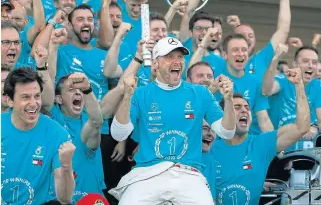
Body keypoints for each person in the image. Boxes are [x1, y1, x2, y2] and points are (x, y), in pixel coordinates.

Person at [108, 37, 236, 204]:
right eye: (169, 57)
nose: (176, 61)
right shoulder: (140, 94)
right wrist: (126, 98)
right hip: (147, 173)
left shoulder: (201, 93)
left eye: (180, 57)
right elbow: (119, 134)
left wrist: (229, 100)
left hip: (188, 173)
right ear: (155, 64)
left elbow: (227, 132)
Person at [213, 69, 310, 204]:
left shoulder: (261, 144)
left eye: (247, 108)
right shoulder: (208, 147)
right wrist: (212, 88)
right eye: (237, 107)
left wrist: (299, 86)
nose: (244, 110)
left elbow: (302, 127)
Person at [1, 67, 75, 204]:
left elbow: (65, 198)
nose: (34, 103)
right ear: (9, 100)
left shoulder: (57, 134)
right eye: (25, 97)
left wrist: (66, 166)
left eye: (37, 96)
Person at [47, 73, 106, 203]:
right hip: (57, 199)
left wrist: (87, 90)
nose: (78, 93)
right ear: (59, 99)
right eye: (71, 90)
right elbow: (45, 99)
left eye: (80, 91)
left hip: (90, 198)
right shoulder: (51, 119)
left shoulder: (87, 123)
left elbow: (96, 121)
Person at [262, 45, 321, 150]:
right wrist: (275, 60)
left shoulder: (317, 86)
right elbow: (267, 90)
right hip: (279, 150)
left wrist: (315, 127)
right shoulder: (283, 80)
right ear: (294, 64)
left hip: (307, 154)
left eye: (315, 62)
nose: (311, 66)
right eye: (305, 61)